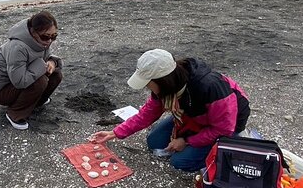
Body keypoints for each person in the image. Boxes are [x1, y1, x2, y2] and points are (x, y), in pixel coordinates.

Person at [89, 49, 250, 172]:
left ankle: (235, 147)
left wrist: (186, 141)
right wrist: (115, 133)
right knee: (154, 142)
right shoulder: (166, 89)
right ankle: (190, 138)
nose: (146, 86)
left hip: (228, 124)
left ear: (162, 80)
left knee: (180, 162)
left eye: (148, 82)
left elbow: (223, 128)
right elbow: (147, 113)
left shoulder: (210, 87)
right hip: (192, 117)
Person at [0, 11, 63, 130]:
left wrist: (52, 62)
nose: (49, 41)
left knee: (56, 74)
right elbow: (20, 82)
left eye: (54, 36)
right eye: (45, 36)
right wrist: (42, 65)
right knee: (40, 81)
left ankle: (36, 102)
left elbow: (45, 59)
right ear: (33, 32)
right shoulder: (17, 47)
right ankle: (14, 114)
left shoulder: (42, 43)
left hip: (14, 82)